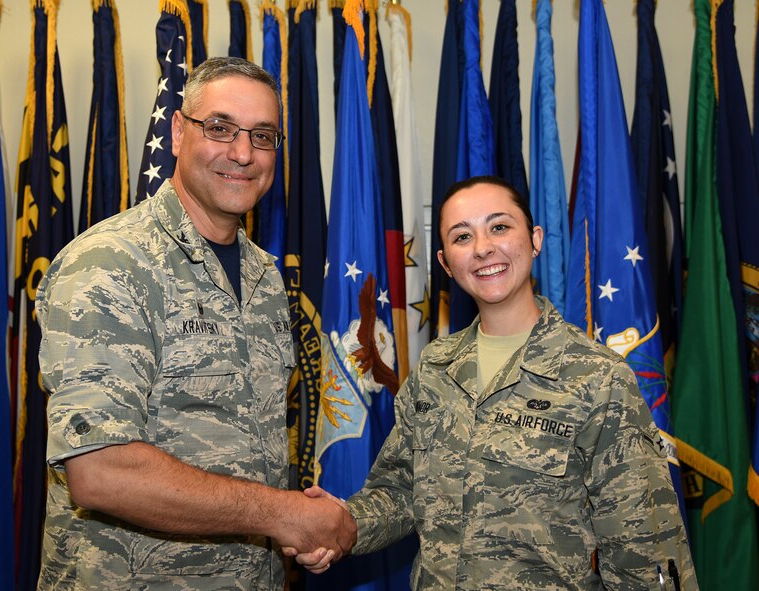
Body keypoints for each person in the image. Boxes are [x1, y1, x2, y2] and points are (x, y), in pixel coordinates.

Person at [36, 57, 354, 590]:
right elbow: (100, 471)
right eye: (221, 128)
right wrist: (283, 514)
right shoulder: (110, 264)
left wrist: (302, 523)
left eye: (263, 135)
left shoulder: (265, 277)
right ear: (179, 133)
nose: (243, 153)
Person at [292, 176, 698, 590]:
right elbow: (401, 489)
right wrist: (343, 524)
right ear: (447, 262)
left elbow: (644, 549)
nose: (483, 247)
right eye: (462, 236)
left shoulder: (598, 377)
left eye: (499, 227)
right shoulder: (435, 367)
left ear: (535, 239)